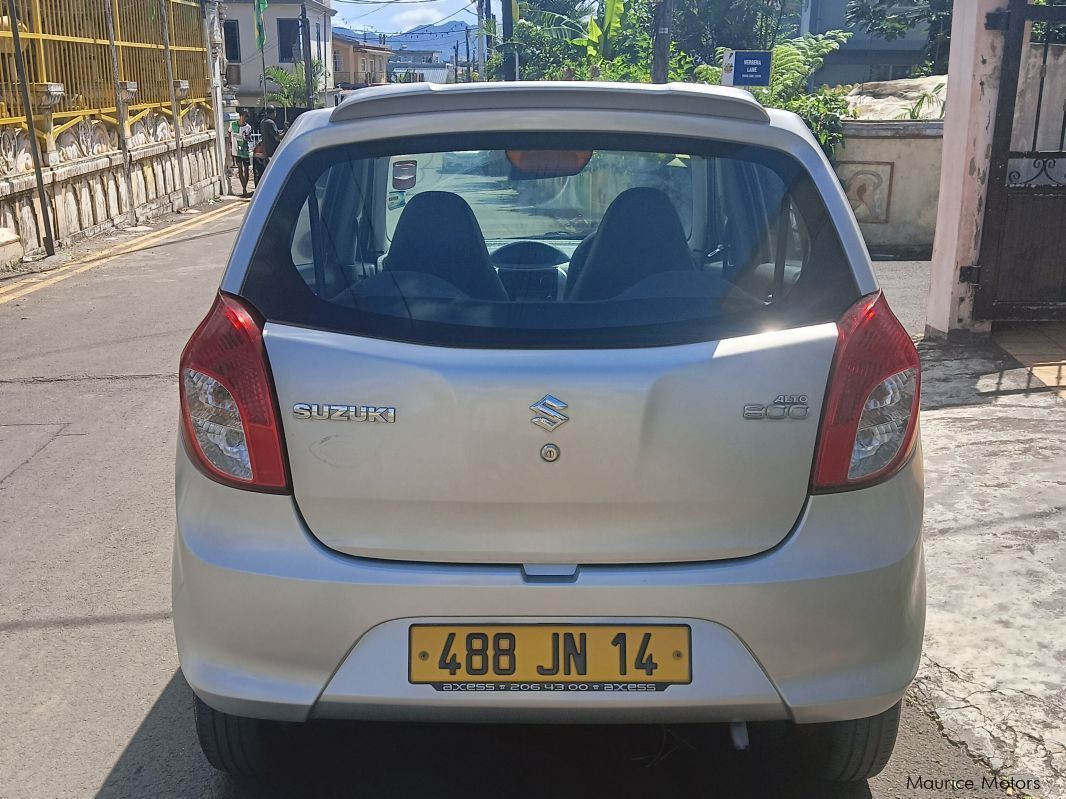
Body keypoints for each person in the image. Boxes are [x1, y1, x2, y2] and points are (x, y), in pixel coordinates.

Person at [234, 110, 253, 197]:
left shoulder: (248, 127)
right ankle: (243, 188)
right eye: (244, 116)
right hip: (237, 151)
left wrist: (246, 137)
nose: (245, 119)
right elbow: (229, 132)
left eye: (246, 117)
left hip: (245, 151)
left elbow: (249, 138)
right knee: (240, 169)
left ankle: (244, 187)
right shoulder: (233, 125)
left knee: (246, 170)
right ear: (241, 116)